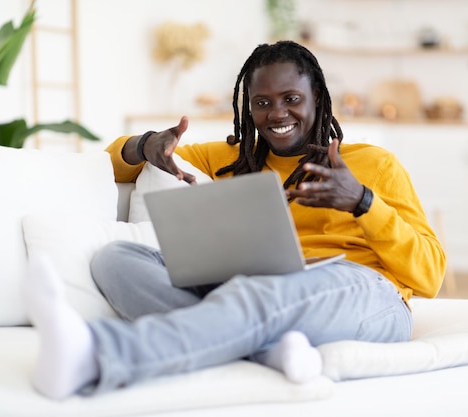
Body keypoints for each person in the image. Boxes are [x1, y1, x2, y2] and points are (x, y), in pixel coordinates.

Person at [23, 40, 446, 400]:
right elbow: (113, 164)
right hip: (262, 285)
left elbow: (430, 275)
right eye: (262, 103)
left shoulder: (373, 164)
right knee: (115, 260)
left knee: (256, 292)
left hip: (366, 294)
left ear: (317, 96)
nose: (277, 114)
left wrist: (362, 202)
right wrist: (148, 145)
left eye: (291, 99)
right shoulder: (230, 160)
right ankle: (270, 350)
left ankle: (95, 357)